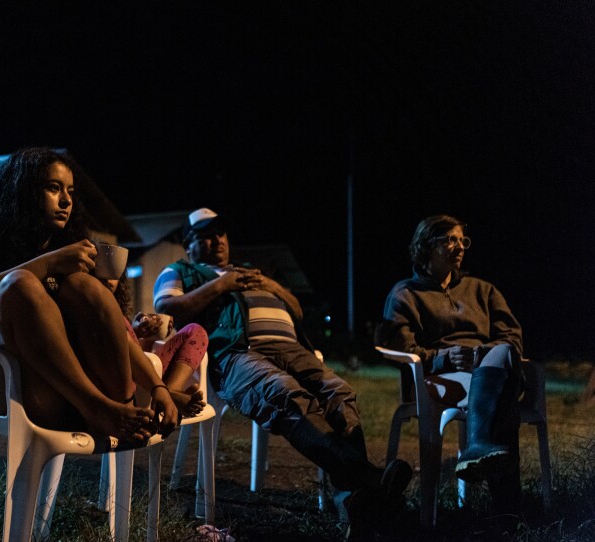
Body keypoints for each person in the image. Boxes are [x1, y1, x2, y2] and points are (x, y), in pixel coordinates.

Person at [154, 207, 411, 535]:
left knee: (340, 393)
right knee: (284, 394)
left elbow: (297, 309)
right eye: (205, 236)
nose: (216, 240)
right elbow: (165, 306)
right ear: (189, 244)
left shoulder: (249, 271)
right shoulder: (183, 270)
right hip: (238, 353)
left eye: (220, 233)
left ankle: (355, 497)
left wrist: (271, 285)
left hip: (294, 349)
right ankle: (371, 482)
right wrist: (222, 286)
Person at [0, 147, 177, 448]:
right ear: (23, 192)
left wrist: (158, 387)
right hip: (13, 388)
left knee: (84, 286)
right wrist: (48, 264)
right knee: (19, 284)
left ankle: (119, 405)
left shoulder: (70, 247)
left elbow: (118, 331)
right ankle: (97, 408)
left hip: (75, 393)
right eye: (53, 188)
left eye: (70, 191)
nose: (66, 200)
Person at [376, 214, 523, 511]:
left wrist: (482, 353)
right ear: (426, 245)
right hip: (441, 376)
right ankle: (508, 509)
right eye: (450, 240)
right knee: (504, 398)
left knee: (504, 352)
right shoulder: (406, 294)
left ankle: (478, 447)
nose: (460, 247)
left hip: (487, 366)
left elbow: (512, 336)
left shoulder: (483, 290)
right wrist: (443, 357)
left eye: (462, 240)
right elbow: (402, 350)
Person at [106, 274, 206, 417]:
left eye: (113, 274)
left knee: (195, 331)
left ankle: (172, 391)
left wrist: (146, 334)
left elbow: (141, 354)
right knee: (121, 322)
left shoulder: (119, 312)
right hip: (129, 385)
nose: (109, 279)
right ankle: (170, 396)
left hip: (148, 376)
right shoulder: (95, 313)